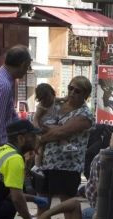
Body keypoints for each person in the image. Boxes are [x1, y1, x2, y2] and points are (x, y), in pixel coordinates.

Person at [39, 76, 94, 208]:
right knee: (42, 203)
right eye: (70, 88)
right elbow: (39, 120)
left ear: (85, 95)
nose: (72, 93)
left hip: (67, 167)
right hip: (46, 164)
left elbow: (61, 132)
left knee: (68, 208)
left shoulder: (85, 114)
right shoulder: (57, 104)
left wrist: (41, 139)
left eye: (77, 91)